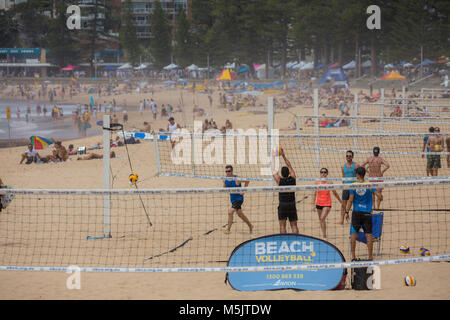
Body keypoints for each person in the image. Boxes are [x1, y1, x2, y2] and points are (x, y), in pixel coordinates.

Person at [345, 166, 381, 261]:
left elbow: (350, 200)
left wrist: (346, 212)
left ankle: (353, 256)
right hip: (367, 214)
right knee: (369, 235)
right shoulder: (369, 184)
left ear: (357, 174)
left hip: (356, 213)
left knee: (353, 234)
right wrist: (379, 196)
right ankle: (370, 257)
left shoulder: (353, 185)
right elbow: (380, 197)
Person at [272, 148, 299, 234]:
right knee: (294, 226)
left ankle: (284, 241)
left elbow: (273, 169)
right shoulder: (293, 179)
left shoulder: (279, 181)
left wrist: (273, 157)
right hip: (292, 204)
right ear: (288, 173)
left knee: (282, 226)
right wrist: (283, 156)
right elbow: (290, 166)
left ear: (281, 174)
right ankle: (296, 240)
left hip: (283, 205)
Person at [312, 168, 342, 238]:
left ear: (327, 173)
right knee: (321, 220)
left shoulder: (330, 182)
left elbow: (335, 193)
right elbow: (314, 194)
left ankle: (324, 237)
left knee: (322, 218)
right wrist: (313, 205)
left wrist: (341, 202)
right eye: (321, 172)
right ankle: (324, 235)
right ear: (320, 173)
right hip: (318, 203)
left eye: (325, 172)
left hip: (327, 203)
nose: (323, 173)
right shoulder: (317, 182)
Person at [223, 165, 253, 234]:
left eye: (229, 171)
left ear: (232, 171)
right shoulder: (225, 179)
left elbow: (247, 180)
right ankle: (250, 225)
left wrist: (243, 191)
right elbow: (224, 188)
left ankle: (228, 230)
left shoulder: (237, 178)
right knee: (240, 214)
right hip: (233, 199)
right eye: (226, 171)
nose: (227, 173)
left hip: (239, 199)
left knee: (230, 212)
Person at [340, 150, 359, 224]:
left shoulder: (356, 165)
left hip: (353, 187)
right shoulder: (343, 166)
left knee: (353, 204)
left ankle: (351, 219)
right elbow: (343, 177)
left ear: (352, 157)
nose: (348, 157)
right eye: (347, 156)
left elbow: (359, 176)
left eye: (350, 156)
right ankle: (341, 220)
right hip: (345, 187)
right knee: (343, 204)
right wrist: (342, 184)